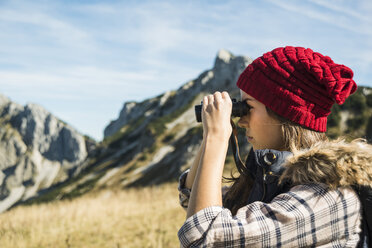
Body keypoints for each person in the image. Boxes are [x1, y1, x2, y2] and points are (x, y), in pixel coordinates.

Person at [177, 46, 372, 247]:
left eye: (248, 108)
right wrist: (211, 133)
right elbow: (191, 197)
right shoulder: (266, 179)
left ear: (283, 112)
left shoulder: (328, 197)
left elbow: (201, 237)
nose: (242, 121)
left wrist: (216, 137)